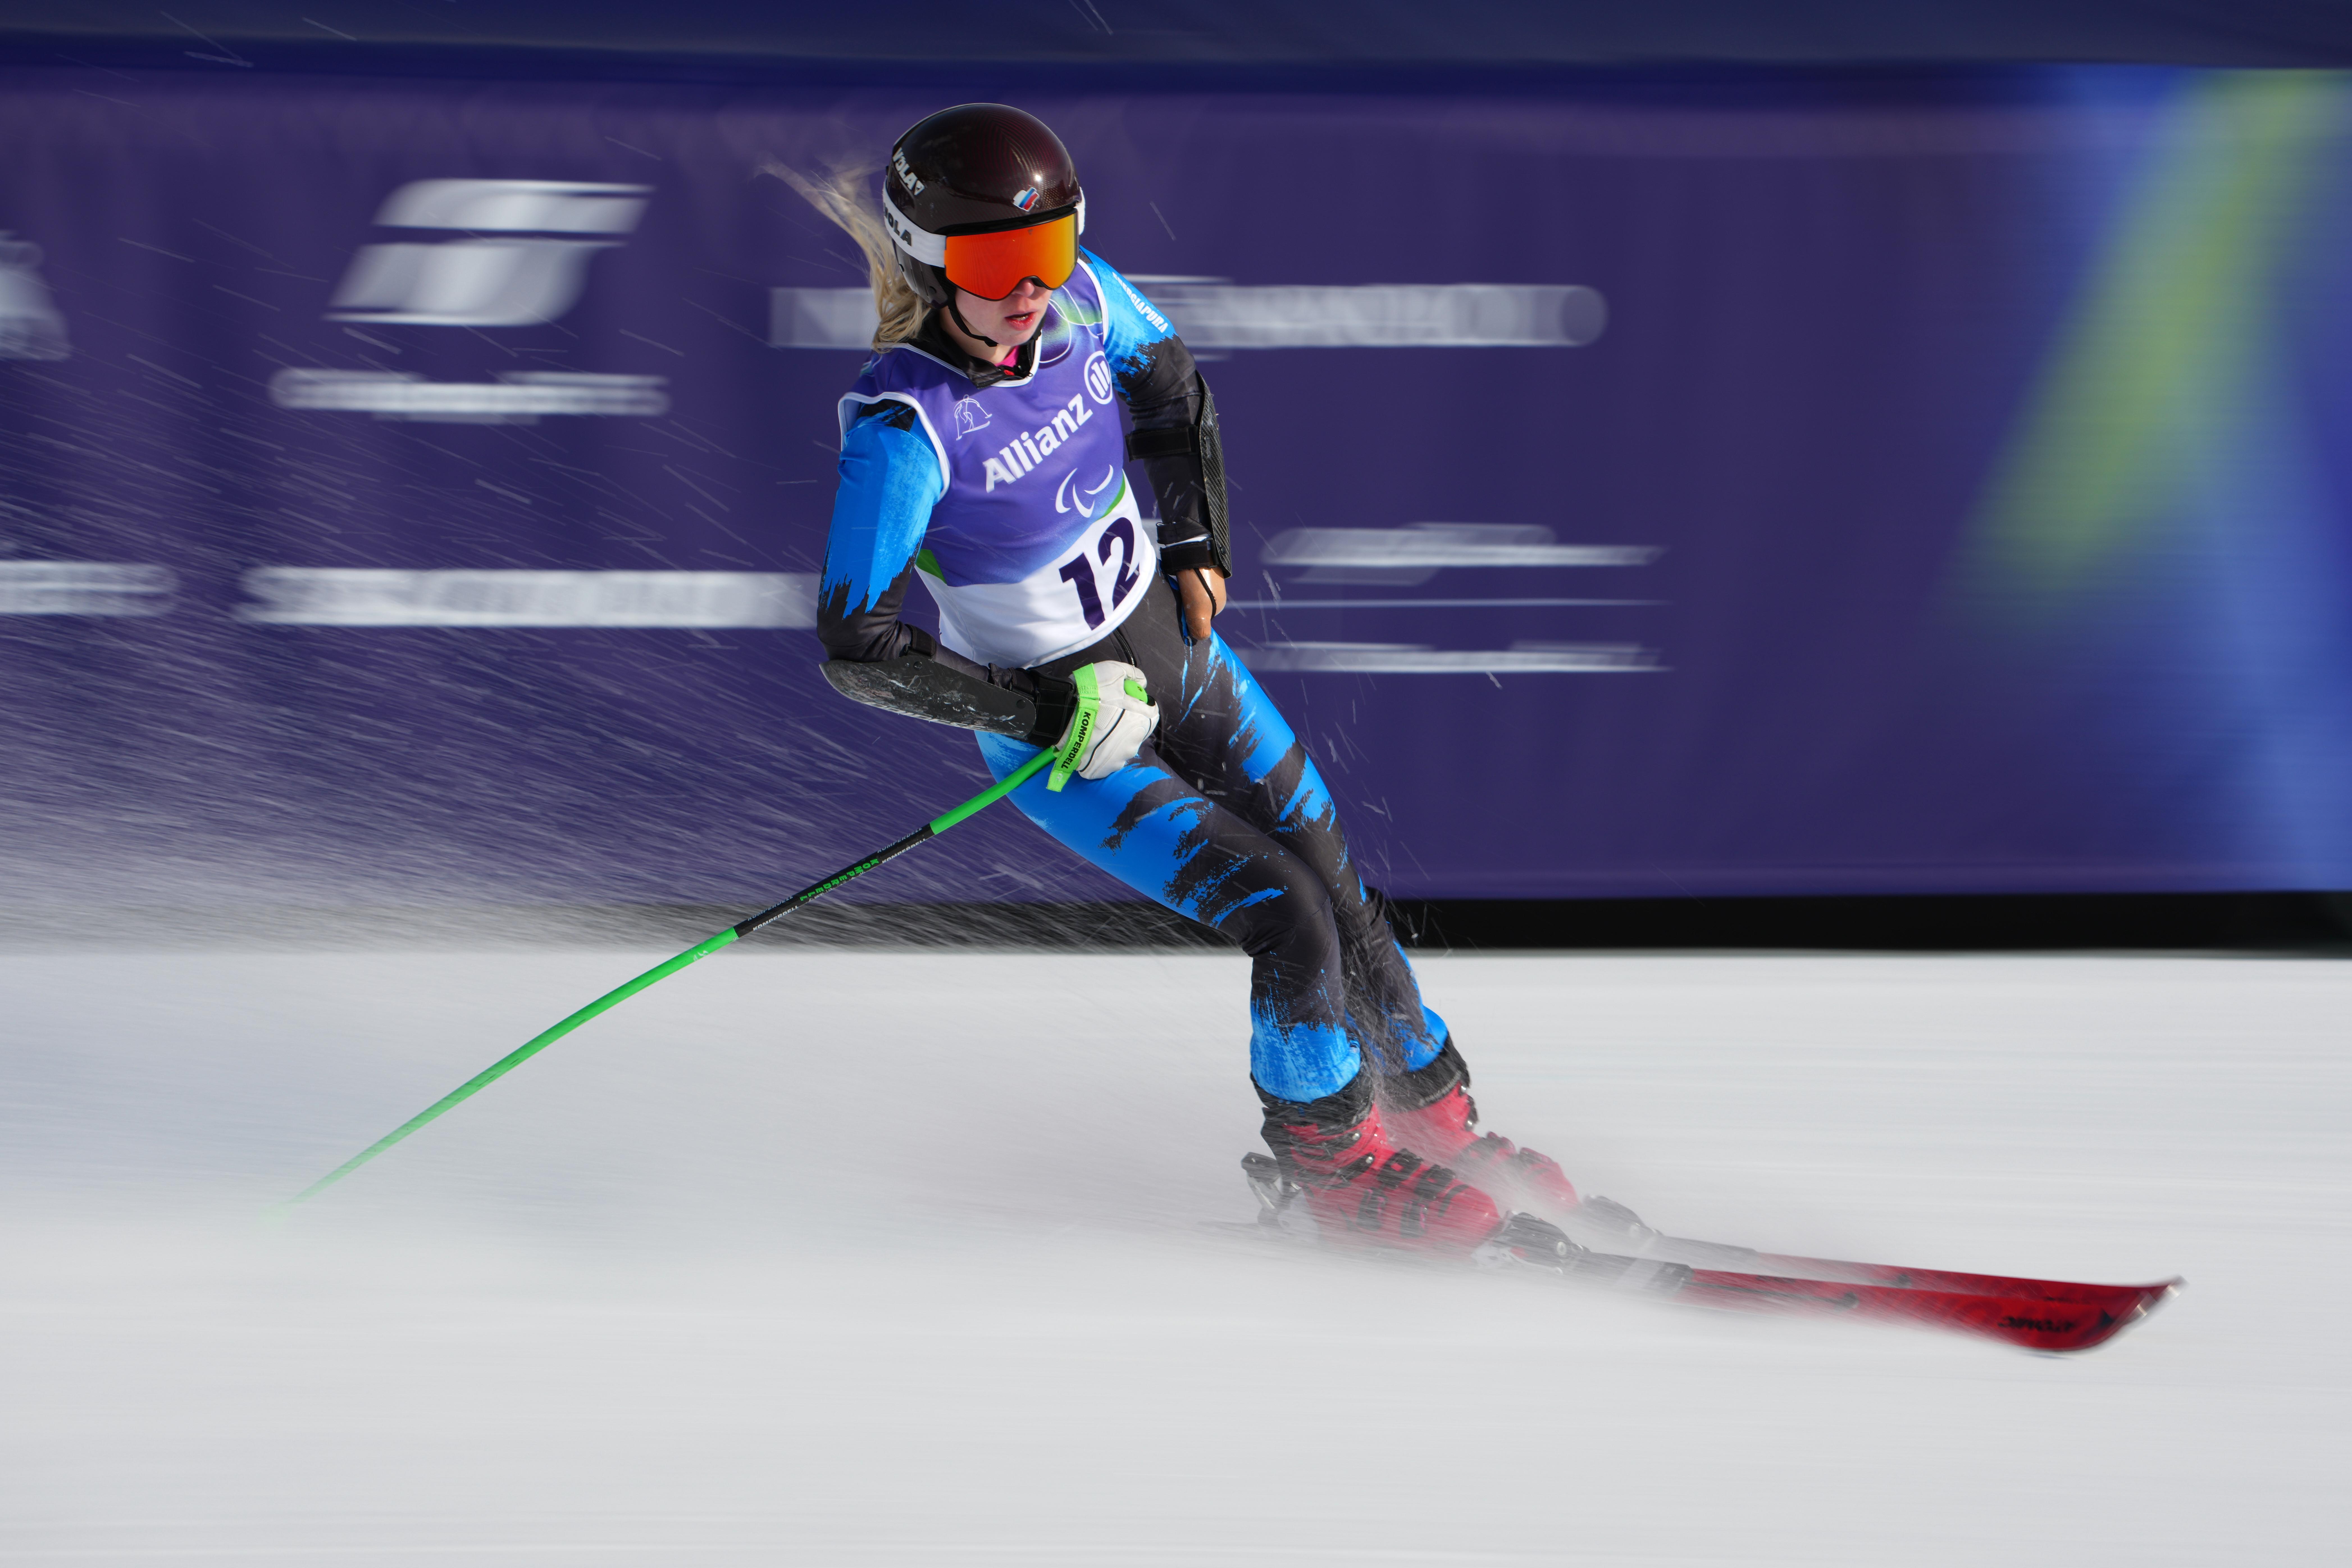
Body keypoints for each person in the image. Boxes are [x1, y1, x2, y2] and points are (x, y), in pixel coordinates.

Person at [794, 104, 1578, 1252]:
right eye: (997, 263)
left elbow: (1171, 389)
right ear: (929, 260)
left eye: (1052, 249)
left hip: (1178, 656)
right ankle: (1328, 1163)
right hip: (1067, 743)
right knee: (1289, 916)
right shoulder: (909, 426)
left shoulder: (1086, 301)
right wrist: (1047, 705)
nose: (1032, 289)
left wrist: (1194, 541)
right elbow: (857, 646)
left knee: (1337, 880)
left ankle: (1432, 1112)